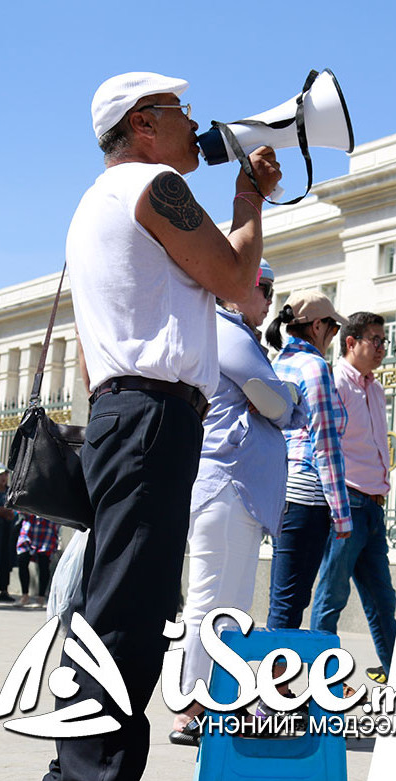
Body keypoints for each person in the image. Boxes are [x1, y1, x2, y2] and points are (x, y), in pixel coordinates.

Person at [45, 71, 280, 781]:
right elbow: (240, 282)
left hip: (124, 414)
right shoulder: (150, 185)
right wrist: (248, 201)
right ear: (144, 124)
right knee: (132, 609)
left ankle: (79, 776)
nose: (193, 123)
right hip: (152, 418)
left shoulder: (95, 202)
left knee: (113, 601)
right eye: (181, 112)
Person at [170, 263, 306, 746]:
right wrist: (285, 400)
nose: (269, 298)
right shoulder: (226, 331)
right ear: (234, 289)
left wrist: (280, 399)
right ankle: (189, 707)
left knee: (228, 607)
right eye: (262, 288)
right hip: (226, 484)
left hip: (237, 489)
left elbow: (275, 399)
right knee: (211, 602)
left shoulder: (234, 333)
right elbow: (275, 402)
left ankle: (215, 704)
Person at [312, 311, 396, 685]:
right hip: (346, 502)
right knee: (331, 597)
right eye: (375, 340)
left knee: (383, 600)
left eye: (384, 341)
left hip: (374, 507)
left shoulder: (374, 388)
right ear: (351, 342)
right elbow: (322, 442)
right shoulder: (336, 383)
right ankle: (325, 683)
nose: (381, 348)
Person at [266, 289, 353, 629]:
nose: (334, 337)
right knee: (291, 601)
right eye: (333, 329)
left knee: (283, 595)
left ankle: (275, 681)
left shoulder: (279, 363)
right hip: (308, 494)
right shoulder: (315, 367)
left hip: (280, 488)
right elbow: (326, 442)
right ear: (317, 326)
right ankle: (275, 682)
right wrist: (342, 513)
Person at [16, 513, 60, 607]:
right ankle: (24, 596)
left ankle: (41, 597)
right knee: (22, 559)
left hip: (47, 526)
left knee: (43, 563)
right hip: (29, 527)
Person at [0, 465, 20, 602]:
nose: (4, 477)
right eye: (0, 474)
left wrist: (11, 514)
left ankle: (4, 590)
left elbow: (17, 508)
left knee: (5, 562)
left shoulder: (10, 492)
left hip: (7, 531)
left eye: (6, 474)